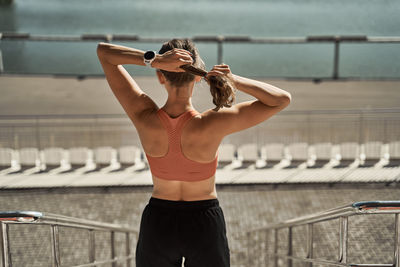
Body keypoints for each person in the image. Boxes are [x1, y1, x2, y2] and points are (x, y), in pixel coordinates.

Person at [96, 38, 291, 267]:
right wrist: (233, 80)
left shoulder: (143, 115)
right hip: (204, 223)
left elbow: (105, 53)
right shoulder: (214, 122)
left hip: (159, 220)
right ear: (198, 76)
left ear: (160, 76)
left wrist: (155, 60)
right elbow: (280, 100)